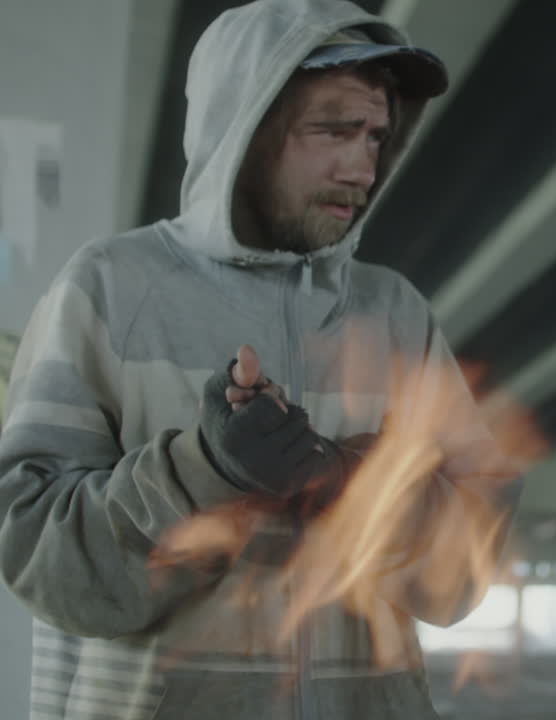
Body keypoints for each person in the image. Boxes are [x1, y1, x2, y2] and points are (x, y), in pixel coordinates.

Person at [0, 1, 519, 718]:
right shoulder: (110, 289)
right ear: (243, 128)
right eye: (333, 130)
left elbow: (461, 576)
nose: (363, 165)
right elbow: (46, 565)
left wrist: (344, 481)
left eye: (375, 135)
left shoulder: (396, 313)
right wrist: (207, 470)